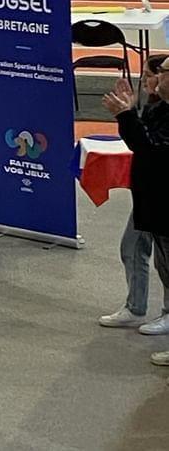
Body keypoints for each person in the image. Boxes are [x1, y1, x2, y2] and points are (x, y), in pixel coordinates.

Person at [103, 57, 169, 377]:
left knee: (155, 257)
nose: (147, 81)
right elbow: (142, 145)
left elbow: (152, 149)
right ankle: (137, 306)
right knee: (150, 257)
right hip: (151, 200)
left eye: (154, 74)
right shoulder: (157, 108)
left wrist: (126, 115)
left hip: (163, 202)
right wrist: (130, 113)